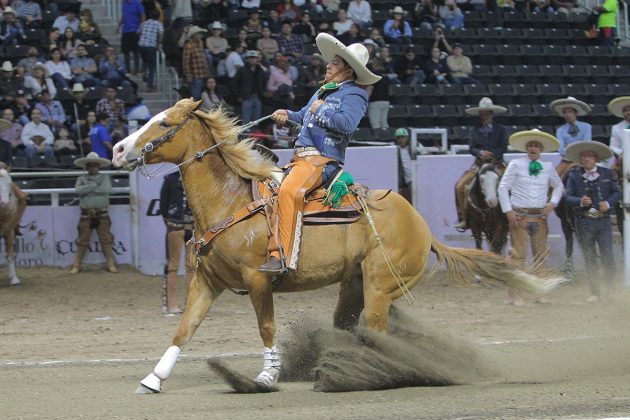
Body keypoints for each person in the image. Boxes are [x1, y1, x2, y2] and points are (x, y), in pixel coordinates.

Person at [258, 33, 381, 274]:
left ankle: (282, 256)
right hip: (300, 160)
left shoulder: (356, 94)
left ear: (347, 70)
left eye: (335, 62)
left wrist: (321, 108)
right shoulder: (322, 91)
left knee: (289, 190)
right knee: (265, 187)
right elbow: (301, 116)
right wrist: (285, 115)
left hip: (322, 161)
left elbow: (346, 124)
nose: (328, 64)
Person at [498, 129, 563, 306]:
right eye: (531, 145)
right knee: (518, 255)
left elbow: (558, 186)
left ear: (541, 149)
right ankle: (514, 293)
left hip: (539, 217)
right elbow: (503, 187)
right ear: (526, 148)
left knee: (540, 254)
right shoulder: (515, 164)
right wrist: (508, 211)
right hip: (519, 216)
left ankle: (540, 293)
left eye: (536, 146)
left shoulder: (548, 167)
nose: (533, 148)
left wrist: (552, 203)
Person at [565, 141, 620, 303]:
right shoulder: (574, 175)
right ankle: (595, 291)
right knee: (589, 257)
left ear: (596, 158)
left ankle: (609, 290)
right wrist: (580, 201)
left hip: (603, 221)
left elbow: (616, 192)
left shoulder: (607, 173)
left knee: (607, 255)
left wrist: (608, 203)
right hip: (584, 220)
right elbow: (568, 197)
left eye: (589, 156)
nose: (586, 159)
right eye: (583, 156)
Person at [454, 97, 508, 231]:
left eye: (486, 113)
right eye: (482, 113)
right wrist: (480, 153)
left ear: (491, 114)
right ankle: (464, 218)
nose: (483, 116)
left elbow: (504, 147)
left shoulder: (500, 129)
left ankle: (513, 215)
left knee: (513, 184)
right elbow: (471, 148)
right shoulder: (474, 130)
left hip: (497, 162)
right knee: (460, 186)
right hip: (479, 163)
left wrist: (492, 153)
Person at [70, 152, 118, 274]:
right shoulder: (81, 178)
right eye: (90, 166)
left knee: (105, 239)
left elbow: (106, 189)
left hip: (101, 212)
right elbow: (79, 190)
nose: (92, 168)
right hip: (87, 213)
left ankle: (110, 263)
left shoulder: (104, 178)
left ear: (98, 167)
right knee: (83, 239)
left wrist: (88, 187)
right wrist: (95, 185)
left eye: (95, 166)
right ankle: (77, 264)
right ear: (86, 167)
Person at [159, 171, 194, 315]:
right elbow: (163, 205)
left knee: (185, 266)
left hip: (180, 226)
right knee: (181, 266)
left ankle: (176, 304)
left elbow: (163, 206)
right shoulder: (173, 179)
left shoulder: (171, 179)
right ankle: (177, 304)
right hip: (186, 226)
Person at [551, 96, 592, 177]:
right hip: (567, 159)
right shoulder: (561, 130)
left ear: (575, 113)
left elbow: (587, 144)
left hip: (582, 159)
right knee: (554, 176)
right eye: (565, 112)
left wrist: (570, 146)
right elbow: (560, 149)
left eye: (570, 112)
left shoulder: (586, 126)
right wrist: (575, 147)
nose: (567, 114)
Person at [234, 50, 267, 124]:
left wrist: (263, 92)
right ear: (247, 59)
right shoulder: (242, 70)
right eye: (250, 58)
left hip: (257, 96)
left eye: (254, 58)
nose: (252, 59)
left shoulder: (260, 70)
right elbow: (235, 84)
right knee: (246, 118)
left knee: (256, 118)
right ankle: (245, 134)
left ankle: (255, 133)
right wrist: (238, 96)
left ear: (257, 59)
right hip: (246, 97)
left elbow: (264, 82)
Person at [182, 25, 211, 100]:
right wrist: (188, 75)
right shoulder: (188, 46)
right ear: (194, 35)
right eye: (199, 33)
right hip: (195, 75)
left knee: (202, 95)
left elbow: (203, 58)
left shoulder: (201, 43)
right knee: (195, 96)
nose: (201, 35)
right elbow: (186, 62)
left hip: (203, 73)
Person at [117, 0, 145, 75]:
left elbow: (142, 15)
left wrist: (141, 28)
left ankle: (136, 69)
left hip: (135, 30)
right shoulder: (123, 3)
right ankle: (128, 69)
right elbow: (124, 15)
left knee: (136, 51)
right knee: (126, 52)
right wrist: (119, 26)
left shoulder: (137, 3)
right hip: (125, 31)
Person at [138, 10, 163, 90]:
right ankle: (149, 85)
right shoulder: (158, 24)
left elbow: (138, 32)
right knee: (152, 66)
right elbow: (161, 33)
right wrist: (159, 42)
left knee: (145, 61)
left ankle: (143, 72)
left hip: (141, 45)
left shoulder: (144, 23)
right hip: (151, 46)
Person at [607, 96, 630, 166]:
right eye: (625, 111)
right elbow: (613, 146)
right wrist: (623, 153)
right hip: (624, 156)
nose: (628, 112)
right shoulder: (616, 127)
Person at [395, 127, 413, 203]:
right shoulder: (395, 150)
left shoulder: (415, 145)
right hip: (408, 181)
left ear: (407, 138)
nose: (401, 139)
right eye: (398, 138)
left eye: (403, 137)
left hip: (419, 178)